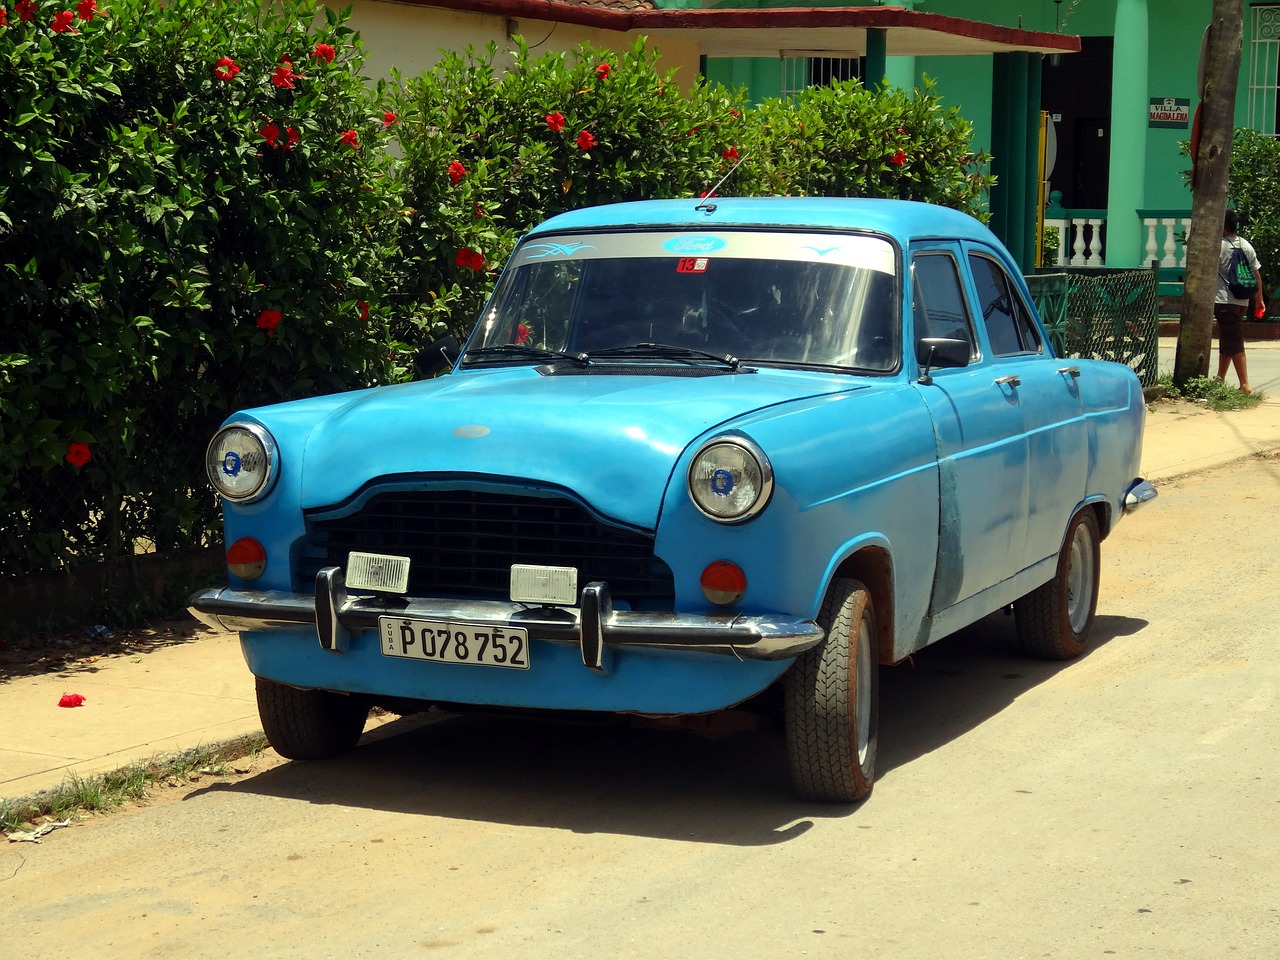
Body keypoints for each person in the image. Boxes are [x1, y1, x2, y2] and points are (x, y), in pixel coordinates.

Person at [1215, 209, 1265, 393]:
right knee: (1228, 338)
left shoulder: (1218, 246)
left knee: (1233, 341)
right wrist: (1259, 300)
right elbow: (1257, 274)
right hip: (1242, 301)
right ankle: (1220, 379)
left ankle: (1245, 384)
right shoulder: (1245, 245)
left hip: (1223, 300)